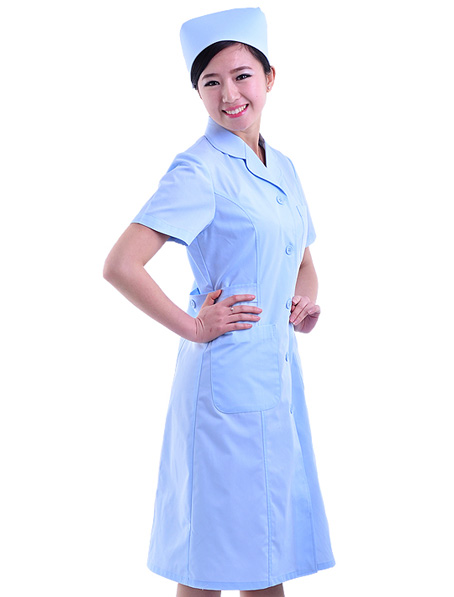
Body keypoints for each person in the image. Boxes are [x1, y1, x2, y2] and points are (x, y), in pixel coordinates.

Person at [103, 7, 335, 597]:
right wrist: (193, 326)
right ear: (198, 92)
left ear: (270, 78)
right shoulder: (199, 169)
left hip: (275, 381)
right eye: (211, 82)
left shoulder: (283, 167)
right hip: (223, 387)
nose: (229, 95)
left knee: (268, 561)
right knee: (208, 564)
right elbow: (121, 264)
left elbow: (303, 262)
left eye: (242, 75)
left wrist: (303, 303)